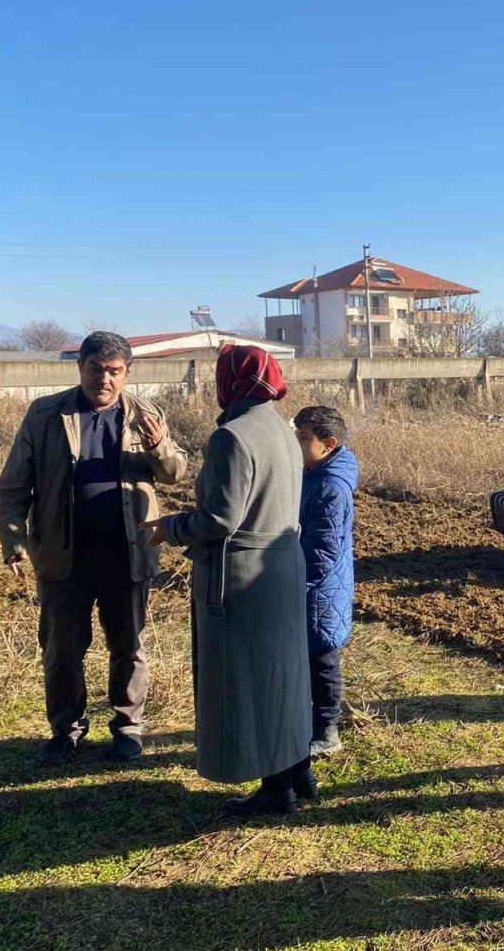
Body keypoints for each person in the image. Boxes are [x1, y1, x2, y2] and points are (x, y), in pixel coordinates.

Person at [0, 331, 188, 765]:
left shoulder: (146, 414)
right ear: (80, 367)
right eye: (96, 368)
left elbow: (175, 472)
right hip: (63, 556)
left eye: (114, 371)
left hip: (127, 552)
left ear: (127, 373)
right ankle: (66, 730)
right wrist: (13, 540)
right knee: (62, 651)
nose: (104, 378)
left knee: (128, 647)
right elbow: (12, 486)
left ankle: (127, 728)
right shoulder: (45, 415)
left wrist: (157, 445)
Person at [143, 345, 316, 816]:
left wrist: (169, 528)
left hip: (240, 578)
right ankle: (298, 770)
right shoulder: (283, 430)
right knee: (284, 674)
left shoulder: (232, 437)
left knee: (248, 681)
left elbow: (220, 518)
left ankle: (275, 788)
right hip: (282, 566)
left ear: (229, 382)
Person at [292, 405, 360, 758]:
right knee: (310, 657)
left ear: (328, 444)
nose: (296, 443)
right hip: (312, 585)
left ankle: (327, 729)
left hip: (318, 589)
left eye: (303, 438)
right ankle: (312, 723)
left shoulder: (330, 487)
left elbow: (322, 549)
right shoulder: (313, 472)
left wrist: (300, 584)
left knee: (322, 659)